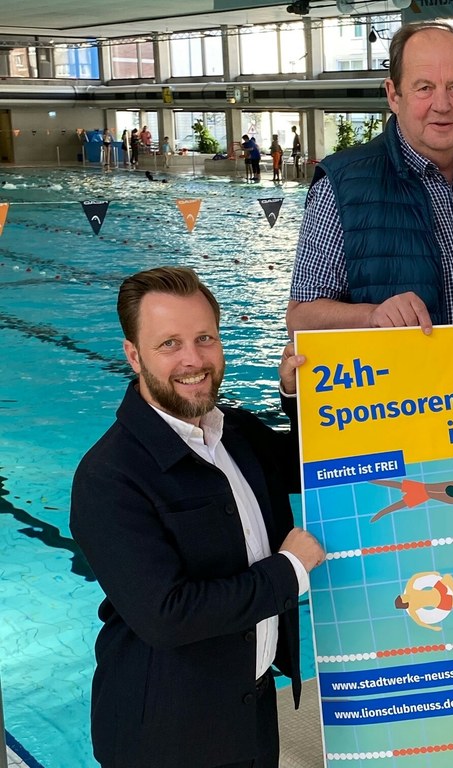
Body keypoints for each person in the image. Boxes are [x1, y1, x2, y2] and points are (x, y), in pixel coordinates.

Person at [70, 266, 326, 768]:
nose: (194, 360)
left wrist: (297, 397)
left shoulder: (233, 430)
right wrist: (289, 571)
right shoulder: (109, 478)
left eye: (204, 337)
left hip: (248, 714)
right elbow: (168, 615)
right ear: (133, 355)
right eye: (170, 344)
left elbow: (303, 466)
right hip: (167, 736)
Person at [286, 21, 453, 336]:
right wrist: (372, 316)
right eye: (424, 88)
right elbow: (300, 318)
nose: (442, 105)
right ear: (394, 95)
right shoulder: (343, 187)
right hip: (411, 385)